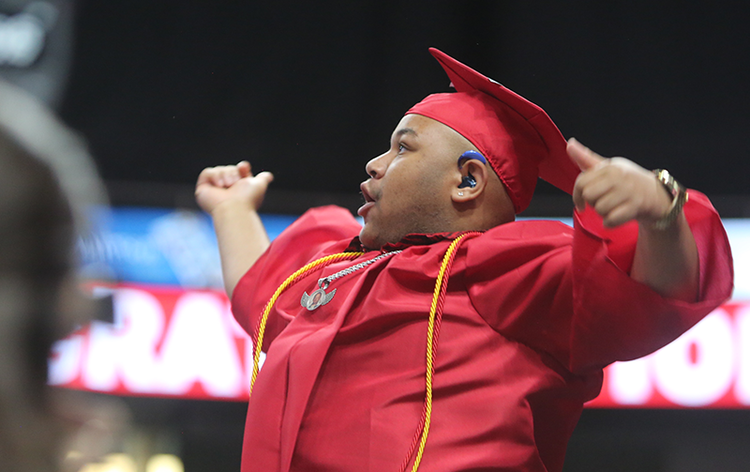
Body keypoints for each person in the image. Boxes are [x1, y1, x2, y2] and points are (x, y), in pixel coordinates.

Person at [195, 49, 733, 472]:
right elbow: (259, 290)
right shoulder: (333, 270)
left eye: (403, 148)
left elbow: (649, 296)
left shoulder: (503, 266)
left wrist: (662, 214)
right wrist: (230, 210)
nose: (374, 163)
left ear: (468, 180)